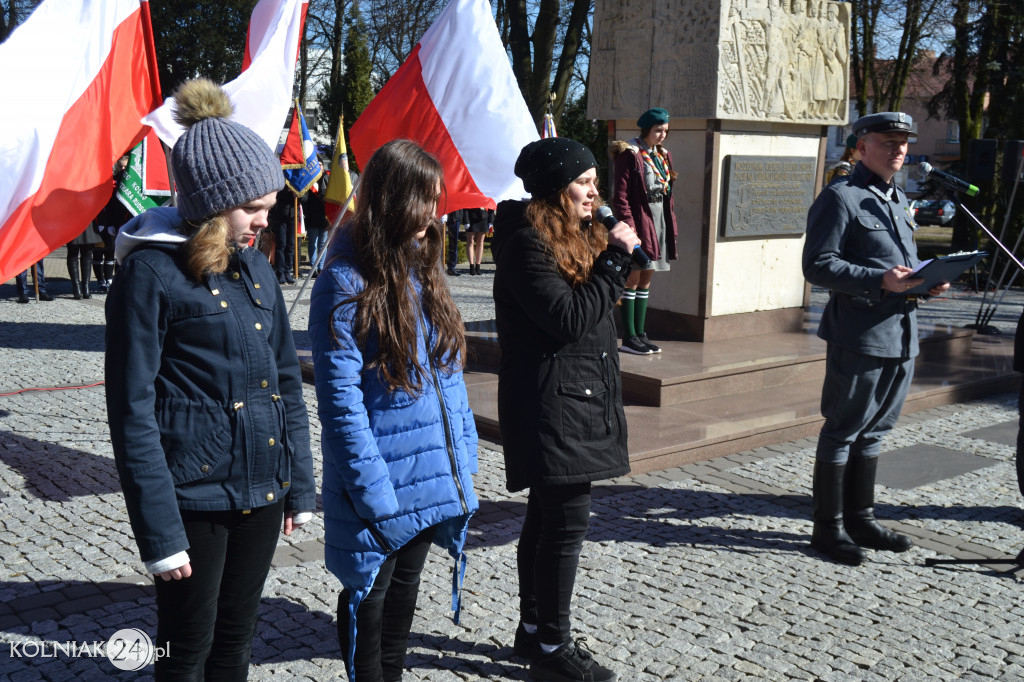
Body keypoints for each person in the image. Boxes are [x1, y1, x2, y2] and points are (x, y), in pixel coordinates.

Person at [104, 78, 315, 679]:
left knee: (236, 642)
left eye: (269, 209)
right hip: (194, 500)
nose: (263, 223)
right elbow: (132, 410)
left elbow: (284, 382)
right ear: (211, 204)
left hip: (261, 493)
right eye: (253, 209)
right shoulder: (149, 274)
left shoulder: (255, 268)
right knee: (187, 649)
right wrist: (160, 533)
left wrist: (297, 483)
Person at [309, 139, 478, 682]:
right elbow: (340, 404)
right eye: (424, 200)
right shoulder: (344, 279)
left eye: (436, 201)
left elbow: (448, 378)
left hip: (426, 474)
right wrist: (372, 490)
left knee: (405, 593)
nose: (434, 215)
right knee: (369, 592)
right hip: (376, 481)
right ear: (392, 199)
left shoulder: (424, 269)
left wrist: (464, 459)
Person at [492, 137, 639, 682]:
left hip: (579, 396)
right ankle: (554, 646)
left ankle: (532, 631)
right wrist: (616, 262)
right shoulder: (527, 245)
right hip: (549, 403)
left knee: (547, 515)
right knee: (565, 523)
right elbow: (569, 319)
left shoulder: (579, 236)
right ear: (556, 189)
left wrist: (613, 256)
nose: (594, 190)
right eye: (583, 181)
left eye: (595, 179)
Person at [803, 112, 950, 566]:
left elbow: (901, 262)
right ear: (861, 146)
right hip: (859, 334)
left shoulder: (896, 198)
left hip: (902, 333)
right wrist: (880, 280)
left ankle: (860, 517)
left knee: (876, 431)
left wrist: (927, 281)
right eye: (888, 142)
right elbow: (818, 265)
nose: (899, 149)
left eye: (903, 142)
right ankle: (827, 528)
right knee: (843, 430)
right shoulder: (840, 198)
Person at [611, 107, 678, 355]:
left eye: (665, 131)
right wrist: (630, 227)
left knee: (647, 277)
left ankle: (640, 334)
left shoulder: (662, 155)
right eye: (658, 130)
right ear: (647, 129)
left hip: (659, 220)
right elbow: (621, 196)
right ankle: (629, 337)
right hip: (640, 221)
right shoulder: (630, 153)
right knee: (633, 278)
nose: (662, 135)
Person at [94, 154, 132, 293]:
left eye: (124, 166)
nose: (122, 169)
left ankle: (112, 280)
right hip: (105, 222)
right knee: (99, 253)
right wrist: (108, 222)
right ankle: (101, 280)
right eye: (120, 166)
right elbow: (111, 205)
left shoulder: (128, 182)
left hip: (121, 222)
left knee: (113, 254)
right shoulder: (114, 180)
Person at [66, 221, 100, 299]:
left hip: (86, 221)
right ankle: (77, 288)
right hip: (74, 221)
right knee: (74, 254)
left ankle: (85, 288)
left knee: (86, 255)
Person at [270, 187, 297, 284]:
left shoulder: (298, 183)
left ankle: (287, 271)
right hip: (281, 217)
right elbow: (277, 196)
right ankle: (280, 272)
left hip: (293, 217)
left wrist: (297, 195)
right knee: (281, 244)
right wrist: (288, 191)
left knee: (291, 245)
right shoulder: (283, 183)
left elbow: (305, 198)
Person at [304, 179, 330, 277]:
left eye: (320, 165)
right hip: (312, 218)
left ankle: (321, 267)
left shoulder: (328, 181)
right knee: (313, 243)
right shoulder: (309, 180)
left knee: (323, 244)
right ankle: (313, 267)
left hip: (324, 218)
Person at [462, 207, 494, 275]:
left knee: (480, 242)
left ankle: (478, 265)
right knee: (470, 241)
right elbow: (465, 205)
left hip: (484, 217)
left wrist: (491, 219)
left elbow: (490, 204)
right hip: (471, 217)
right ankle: (471, 266)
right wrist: (466, 220)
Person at [445, 208, 464, 276]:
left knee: (453, 242)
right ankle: (438, 265)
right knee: (438, 242)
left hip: (455, 216)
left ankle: (451, 267)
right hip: (441, 214)